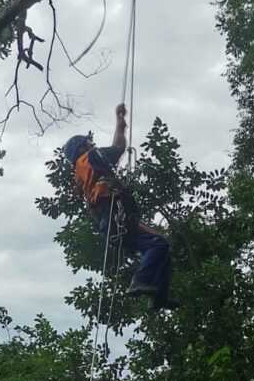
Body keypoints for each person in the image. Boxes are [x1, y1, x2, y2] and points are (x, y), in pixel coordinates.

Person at [62, 103, 179, 311]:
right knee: (159, 245)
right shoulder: (89, 157)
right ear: (82, 147)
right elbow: (118, 148)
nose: (91, 145)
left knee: (162, 245)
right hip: (115, 217)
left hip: (110, 223)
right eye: (88, 143)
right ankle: (140, 280)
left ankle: (159, 297)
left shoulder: (79, 176)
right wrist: (119, 122)